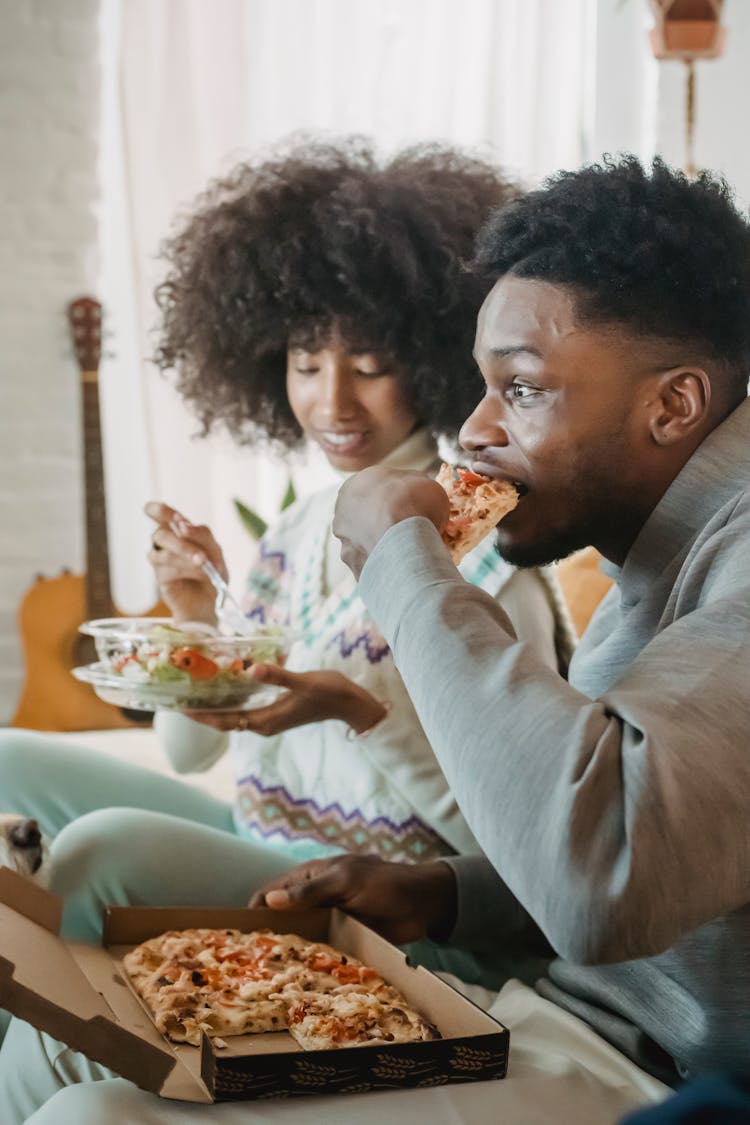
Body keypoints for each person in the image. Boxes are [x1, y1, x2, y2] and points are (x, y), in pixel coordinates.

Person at [8, 150, 745, 1124]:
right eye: (482, 385)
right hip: (549, 1009)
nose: (474, 430)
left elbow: (603, 881)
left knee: (92, 1116)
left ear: (673, 404)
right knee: (68, 1040)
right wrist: (443, 894)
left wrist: (402, 563)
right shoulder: (650, 555)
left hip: (649, 1076)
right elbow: (654, 857)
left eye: (519, 389)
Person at [0, 139, 568, 961]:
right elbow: (194, 752)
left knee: (98, 853)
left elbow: (528, 845)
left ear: (439, 362)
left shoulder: (486, 560)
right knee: (8, 758)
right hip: (262, 834)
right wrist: (194, 618)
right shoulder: (295, 533)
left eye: (369, 366)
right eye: (306, 363)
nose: (332, 399)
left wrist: (360, 712)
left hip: (389, 893)